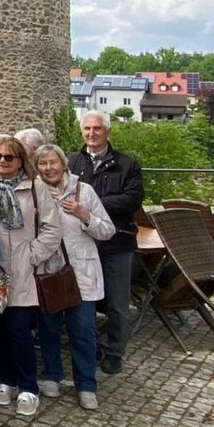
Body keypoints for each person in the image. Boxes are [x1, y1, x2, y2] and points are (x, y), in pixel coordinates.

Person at [0, 136, 61, 418]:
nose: (1, 161)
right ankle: (7, 380)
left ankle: (28, 386)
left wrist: (32, 255)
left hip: (22, 270)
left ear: (21, 160)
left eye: (8, 157)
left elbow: (52, 229)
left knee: (19, 330)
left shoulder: (35, 188)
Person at [33, 144, 115, 410]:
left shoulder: (84, 191)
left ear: (64, 165)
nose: (49, 168)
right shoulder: (34, 192)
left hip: (81, 273)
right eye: (43, 164)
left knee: (83, 331)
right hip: (49, 272)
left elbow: (107, 230)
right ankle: (52, 375)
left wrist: (84, 215)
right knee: (49, 328)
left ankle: (86, 384)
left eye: (53, 163)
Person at [67, 110, 144, 375]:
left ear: (108, 131)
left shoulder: (127, 164)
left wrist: (91, 204)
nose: (91, 133)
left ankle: (114, 351)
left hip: (116, 243)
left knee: (117, 304)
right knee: (82, 299)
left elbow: (132, 200)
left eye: (97, 129)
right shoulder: (71, 162)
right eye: (87, 129)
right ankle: (91, 346)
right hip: (81, 243)